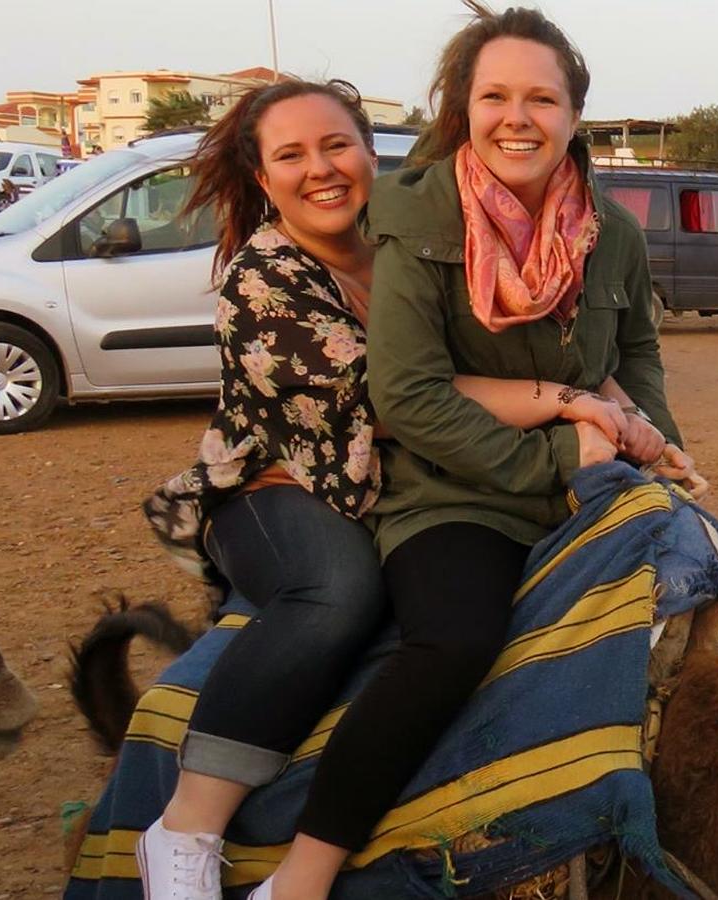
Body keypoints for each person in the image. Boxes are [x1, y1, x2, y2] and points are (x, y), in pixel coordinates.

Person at [130, 76, 654, 900]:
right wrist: (574, 404)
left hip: (398, 480)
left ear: (371, 153)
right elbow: (405, 390)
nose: (322, 169)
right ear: (265, 180)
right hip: (283, 486)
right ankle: (186, 827)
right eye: (292, 156)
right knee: (338, 593)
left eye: (337, 145)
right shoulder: (261, 283)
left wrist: (620, 405)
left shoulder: (419, 240)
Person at [248, 5, 699, 898]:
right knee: (451, 642)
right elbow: (406, 394)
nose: (517, 118)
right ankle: (301, 873)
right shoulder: (415, 217)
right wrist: (554, 469)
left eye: (542, 98)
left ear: (575, 114)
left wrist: (656, 438)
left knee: (702, 612)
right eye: (495, 96)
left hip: (595, 475)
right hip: (457, 494)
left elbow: (636, 355)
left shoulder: (616, 236)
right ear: (465, 107)